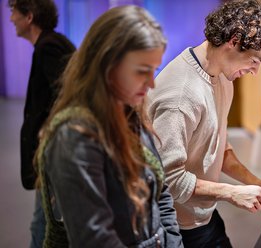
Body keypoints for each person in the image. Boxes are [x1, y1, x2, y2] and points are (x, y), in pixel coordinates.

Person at [147, 0, 261, 247]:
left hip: (204, 216)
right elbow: (167, 179)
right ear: (235, 41)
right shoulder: (181, 96)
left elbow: (218, 148)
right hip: (176, 226)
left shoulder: (222, 76)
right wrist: (230, 192)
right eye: (256, 60)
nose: (255, 71)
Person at [34, 5, 183, 248]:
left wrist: (173, 243)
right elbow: (95, 238)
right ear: (107, 65)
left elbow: (161, 194)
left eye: (153, 70)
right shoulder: (75, 136)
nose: (152, 83)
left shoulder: (131, 115)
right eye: (142, 71)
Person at [8, 0, 75, 247]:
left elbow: (68, 91)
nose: (10, 18)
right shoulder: (53, 43)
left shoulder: (49, 47)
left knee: (43, 222)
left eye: (14, 11)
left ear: (29, 16)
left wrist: (50, 125)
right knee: (45, 219)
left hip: (55, 150)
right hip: (58, 148)